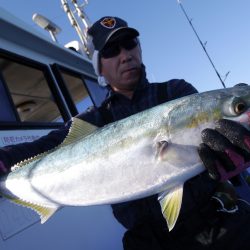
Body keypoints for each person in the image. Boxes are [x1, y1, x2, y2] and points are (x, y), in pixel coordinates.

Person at [1, 16, 250, 250]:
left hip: (215, 222)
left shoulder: (175, 91)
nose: (125, 55)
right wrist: (4, 159)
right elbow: (43, 147)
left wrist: (238, 152)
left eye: (129, 44)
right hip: (146, 240)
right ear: (99, 66)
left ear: (139, 49)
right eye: (111, 51)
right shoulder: (91, 120)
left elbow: (228, 143)